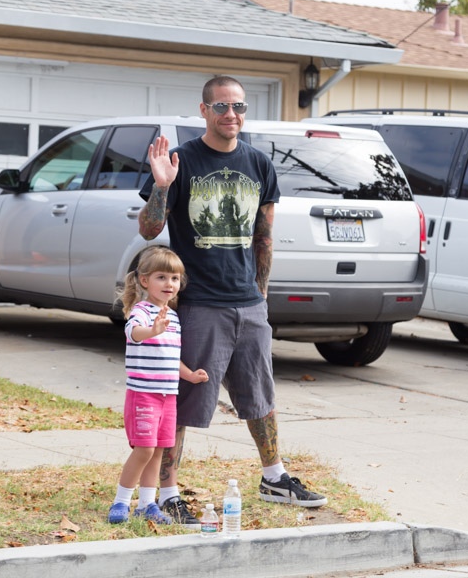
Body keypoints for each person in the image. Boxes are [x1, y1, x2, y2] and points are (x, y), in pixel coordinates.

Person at [137, 75, 327, 528]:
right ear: (203, 111)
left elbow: (264, 235)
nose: (231, 115)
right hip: (200, 302)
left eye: (238, 107)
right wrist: (162, 185)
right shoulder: (182, 160)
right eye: (222, 107)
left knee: (260, 395)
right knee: (182, 398)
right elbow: (148, 229)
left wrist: (260, 294)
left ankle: (274, 478)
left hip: (248, 304)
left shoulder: (259, 164)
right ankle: (167, 493)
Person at [107, 246, 209, 525]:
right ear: (144, 281)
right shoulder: (141, 312)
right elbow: (134, 333)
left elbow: (170, 356)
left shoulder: (172, 317)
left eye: (175, 278)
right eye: (162, 277)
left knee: (159, 451)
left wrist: (189, 375)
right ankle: (121, 502)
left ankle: (147, 505)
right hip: (144, 394)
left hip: (168, 396)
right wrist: (152, 330)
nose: (169, 284)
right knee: (144, 449)